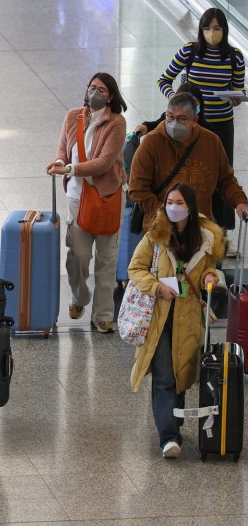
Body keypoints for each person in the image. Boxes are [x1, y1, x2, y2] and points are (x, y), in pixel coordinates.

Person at [128, 184, 224, 458]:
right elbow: (135, 268)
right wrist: (157, 287)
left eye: (179, 202)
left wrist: (210, 277)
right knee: (164, 377)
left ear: (190, 207)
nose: (172, 206)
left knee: (182, 372)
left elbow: (210, 268)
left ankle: (174, 420)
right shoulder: (156, 236)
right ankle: (168, 437)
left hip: (189, 317)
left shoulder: (205, 238)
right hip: (159, 317)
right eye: (169, 201)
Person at [47, 73, 127, 333]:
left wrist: (70, 168)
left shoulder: (117, 123)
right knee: (78, 257)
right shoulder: (73, 116)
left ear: (111, 96)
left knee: (107, 259)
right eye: (91, 87)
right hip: (76, 199)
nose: (94, 92)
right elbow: (62, 147)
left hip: (106, 198)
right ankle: (80, 297)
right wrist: (61, 162)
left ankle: (103, 315)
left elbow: (104, 162)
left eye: (101, 89)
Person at [158, 8, 244, 231]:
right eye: (207, 28)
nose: (211, 33)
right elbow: (164, 79)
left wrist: (236, 98)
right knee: (196, 172)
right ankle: (191, 224)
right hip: (193, 124)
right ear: (201, 29)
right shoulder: (190, 51)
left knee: (223, 175)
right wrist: (178, 99)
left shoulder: (235, 57)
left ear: (224, 30)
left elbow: (237, 89)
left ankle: (222, 231)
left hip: (222, 123)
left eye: (216, 28)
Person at [129, 91, 248, 230]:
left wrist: (240, 202)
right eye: (170, 117)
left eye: (181, 119)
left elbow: (226, 180)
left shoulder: (211, 141)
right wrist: (166, 215)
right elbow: (137, 189)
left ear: (194, 121)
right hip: (162, 229)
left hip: (201, 228)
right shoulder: (151, 142)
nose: (174, 123)